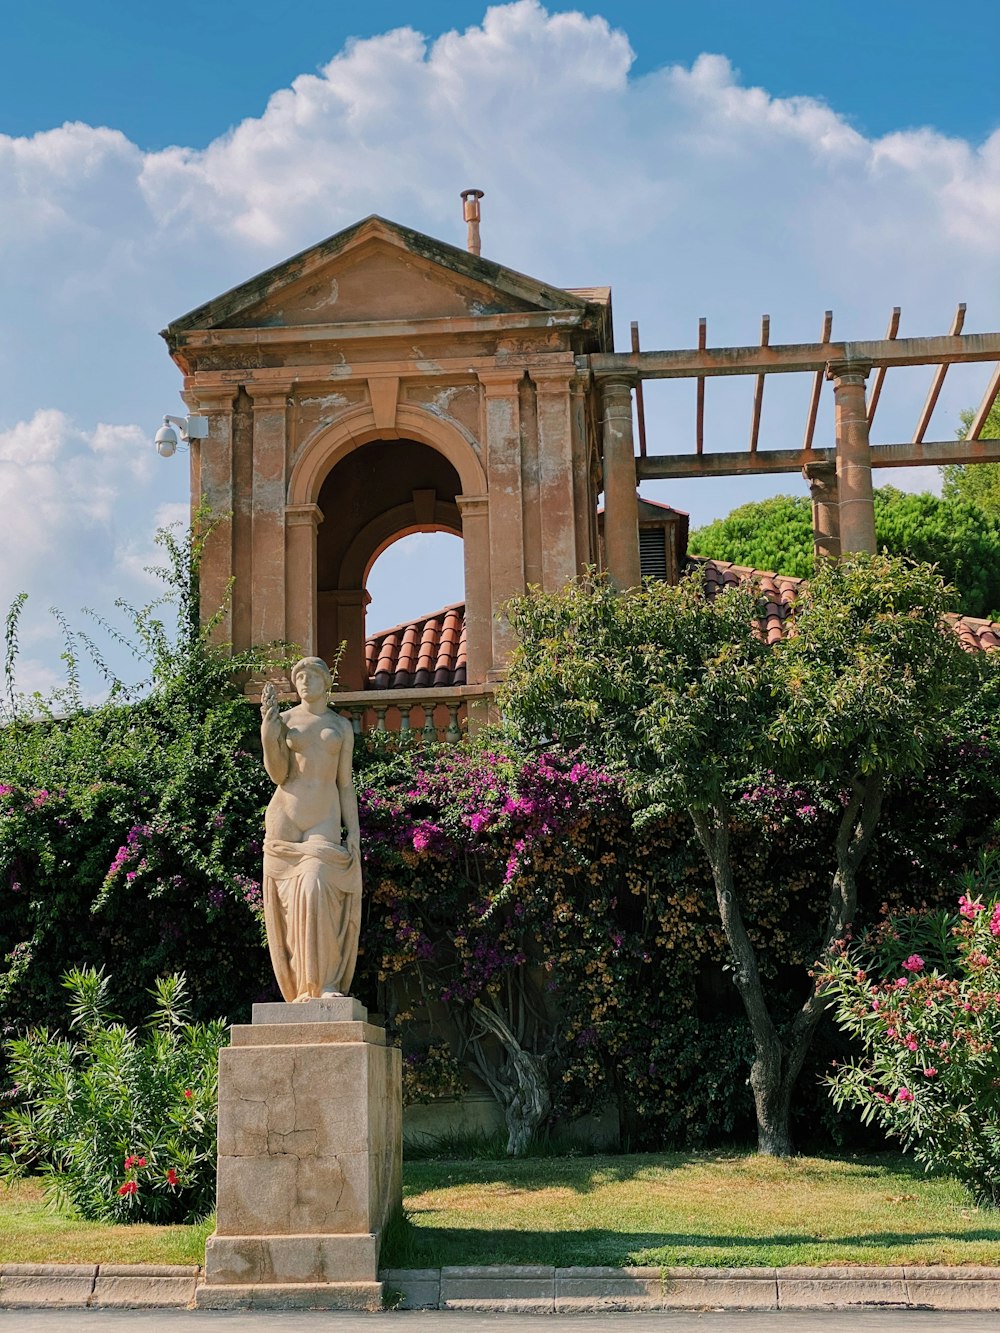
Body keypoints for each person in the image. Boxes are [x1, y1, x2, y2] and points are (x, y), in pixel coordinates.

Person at [259, 657, 362, 1002]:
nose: (304, 681)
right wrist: (269, 735)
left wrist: (355, 830)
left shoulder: (340, 726)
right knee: (293, 904)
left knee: (316, 886)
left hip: (325, 818)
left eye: (311, 676)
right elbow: (277, 774)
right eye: (298, 676)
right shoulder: (285, 721)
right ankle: (303, 987)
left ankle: (325, 984)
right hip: (286, 816)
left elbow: (345, 784)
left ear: (326, 682)